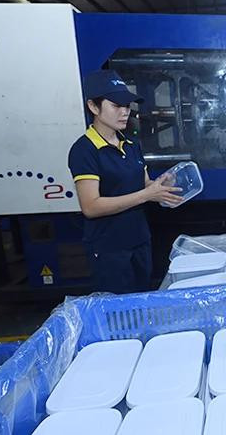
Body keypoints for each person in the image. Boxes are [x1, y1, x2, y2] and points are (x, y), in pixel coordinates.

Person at [68, 70, 183, 293]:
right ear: (93, 107)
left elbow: (145, 184)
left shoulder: (131, 144)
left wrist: (161, 187)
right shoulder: (84, 150)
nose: (124, 112)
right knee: (118, 311)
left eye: (127, 106)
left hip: (139, 240)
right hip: (109, 248)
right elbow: (91, 206)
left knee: (141, 300)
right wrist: (147, 195)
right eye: (116, 105)